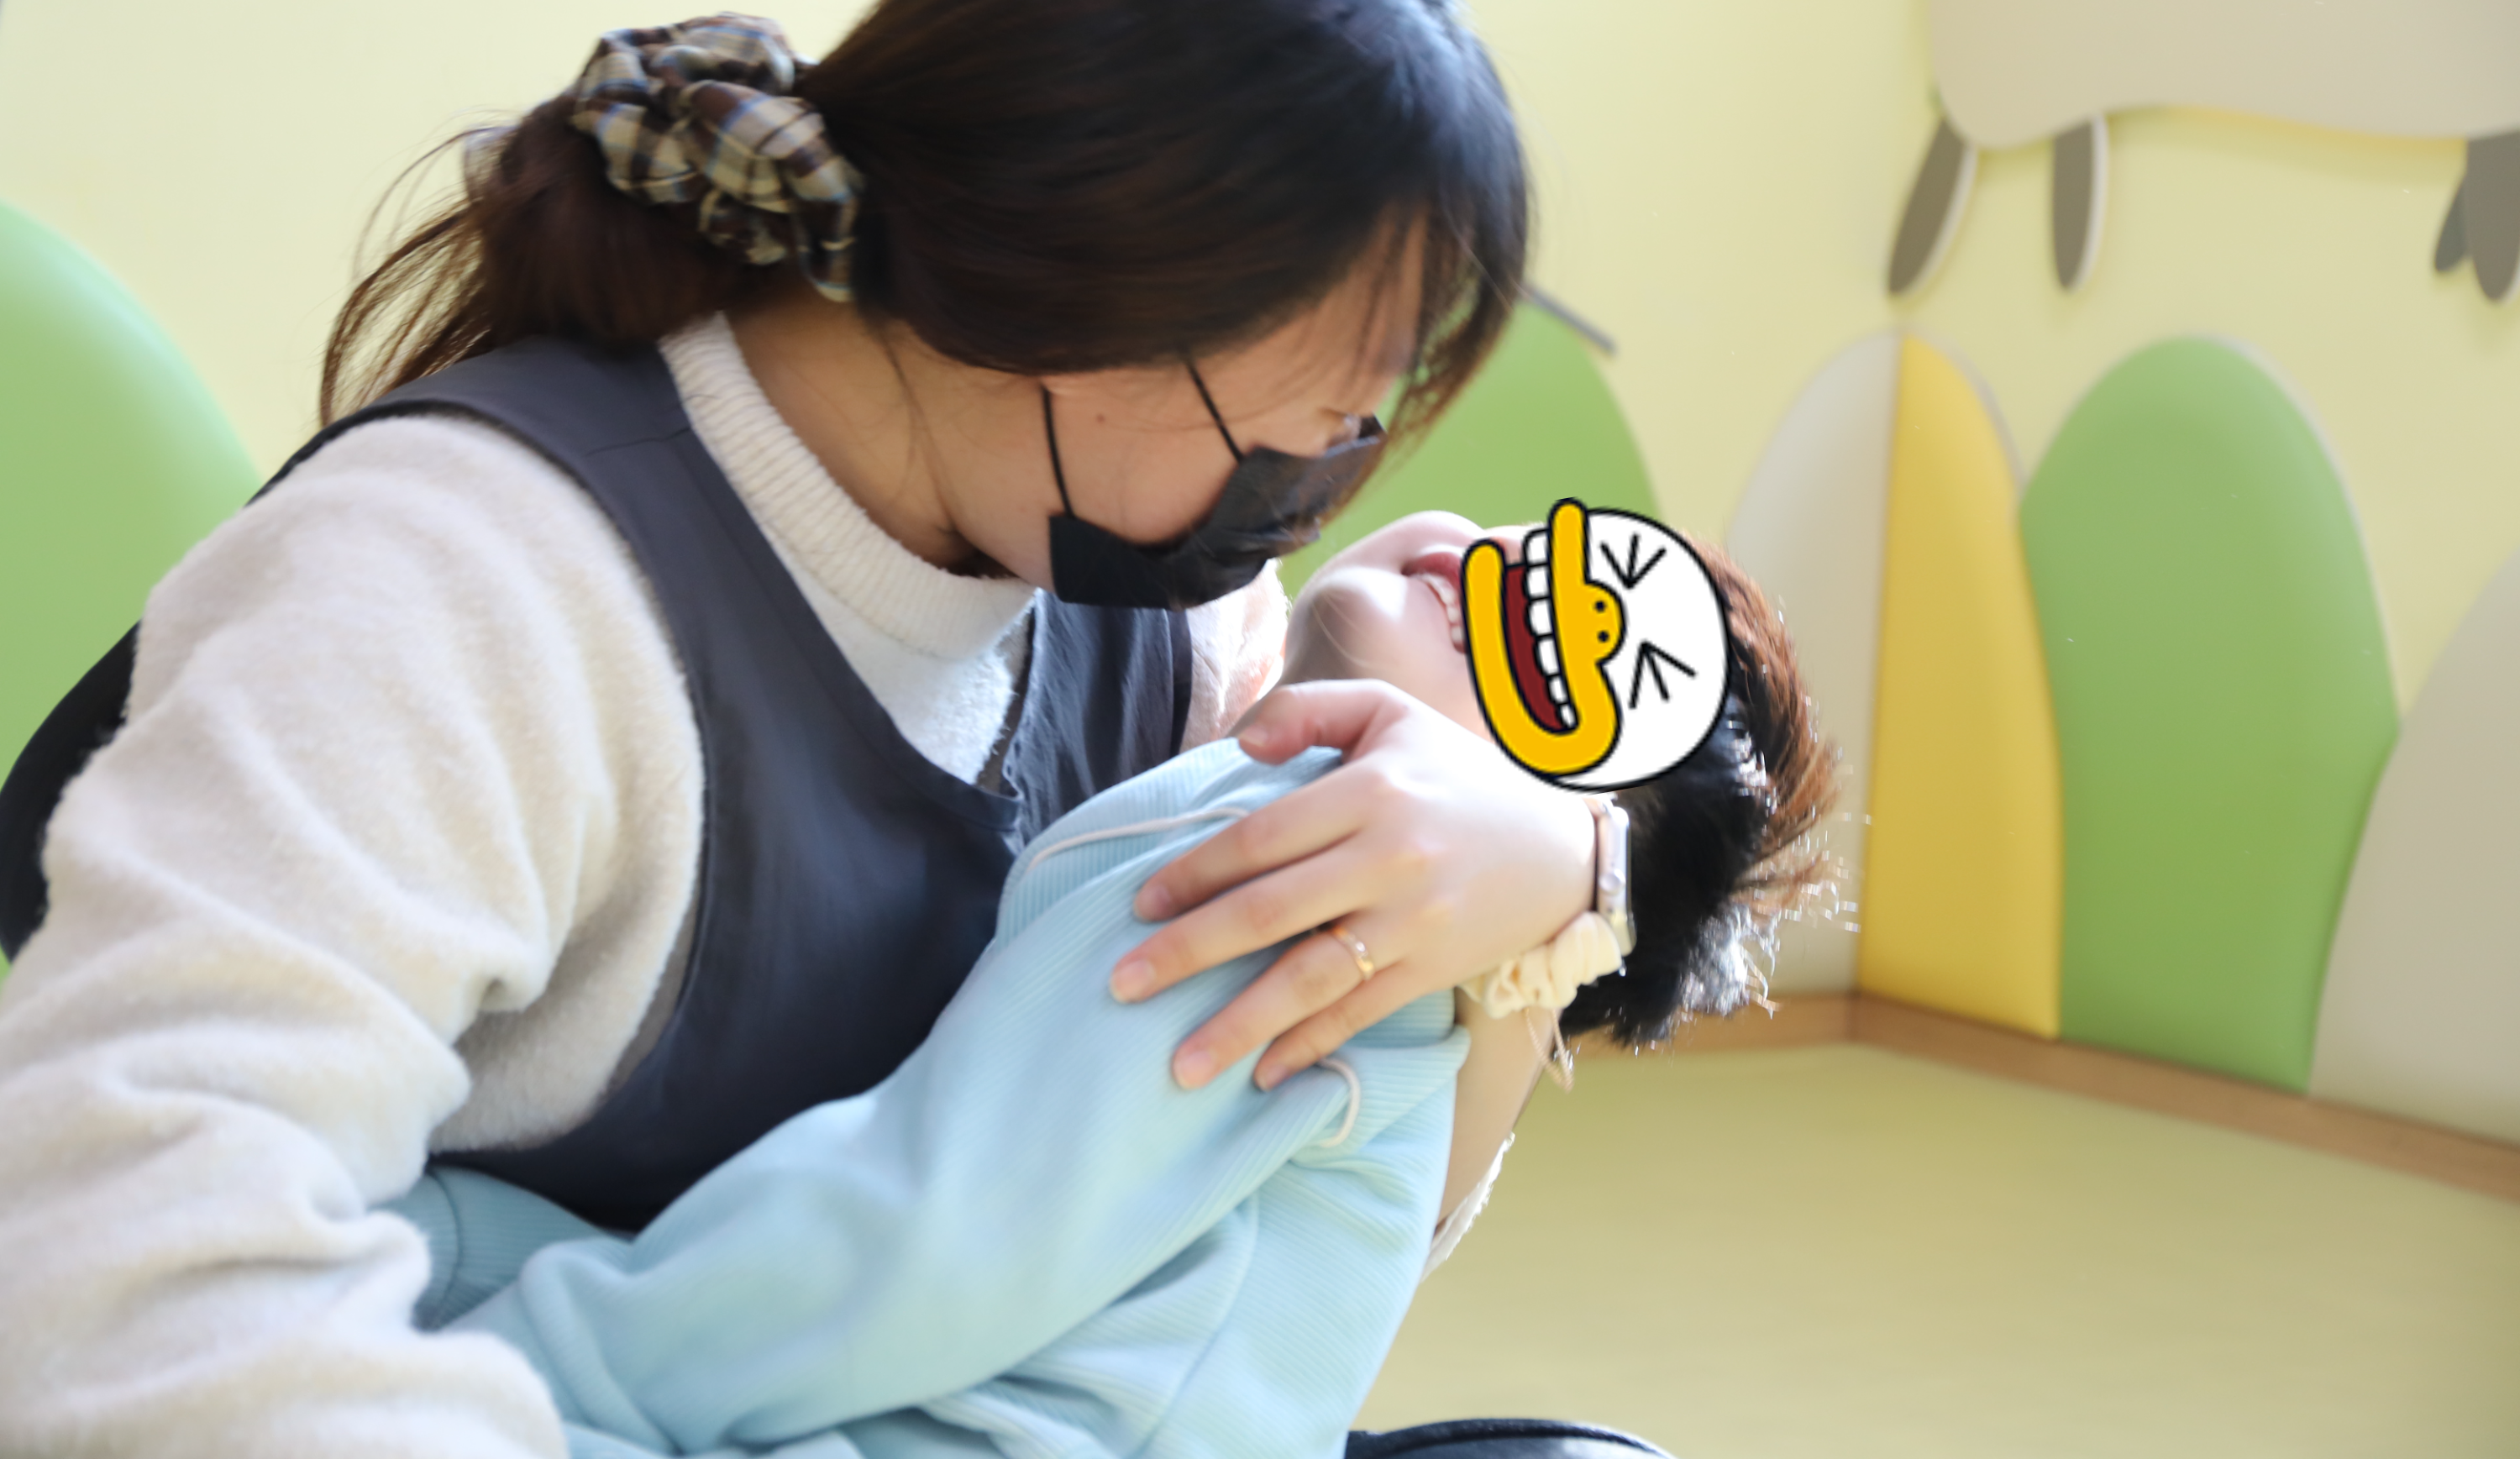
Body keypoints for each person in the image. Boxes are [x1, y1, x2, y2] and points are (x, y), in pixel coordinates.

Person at [0, 0, 1635, 1459]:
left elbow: (1271, 1250)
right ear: (1082, 310)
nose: (1317, 494)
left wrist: (1555, 882)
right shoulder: (469, 584)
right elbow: (117, 1285)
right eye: (1313, 426)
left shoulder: (1170, 627)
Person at [375, 513, 1835, 1459]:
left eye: (1557, 687)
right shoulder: (1233, 674)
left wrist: (533, 1374)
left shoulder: (1312, 859)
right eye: (1544, 549)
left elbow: (940, 1232)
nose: (1486, 575)